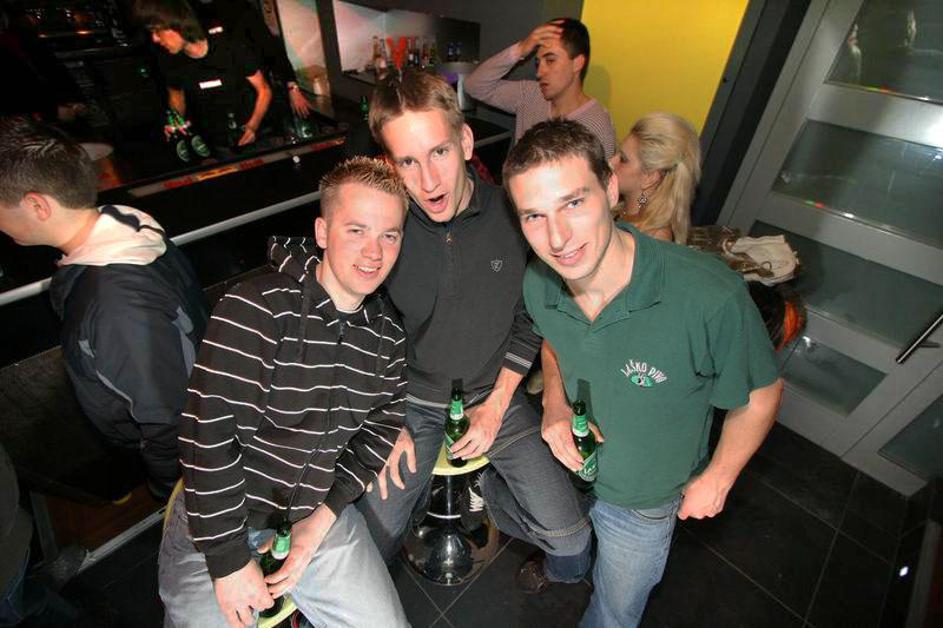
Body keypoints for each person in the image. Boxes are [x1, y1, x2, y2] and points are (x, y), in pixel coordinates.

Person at [503, 119, 783, 627]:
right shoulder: (539, 281)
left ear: (611, 188)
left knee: (613, 613)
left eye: (573, 203)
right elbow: (554, 341)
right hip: (572, 472)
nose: (557, 238)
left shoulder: (709, 296)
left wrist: (719, 477)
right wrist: (554, 404)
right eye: (534, 216)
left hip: (641, 502)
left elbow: (761, 392)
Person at [355, 70, 591, 594]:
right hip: (411, 403)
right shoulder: (384, 232)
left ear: (465, 142)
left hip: (495, 395)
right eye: (408, 161)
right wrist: (383, 415)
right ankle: (420, 504)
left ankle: (490, 491)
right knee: (369, 545)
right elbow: (366, 325)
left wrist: (500, 401)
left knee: (573, 546)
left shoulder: (518, 216)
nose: (428, 181)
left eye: (438, 152)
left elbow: (534, 316)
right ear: (390, 164)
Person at [159, 156, 411, 627]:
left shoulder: (388, 338)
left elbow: (379, 431)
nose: (373, 252)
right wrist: (229, 562)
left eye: (389, 235)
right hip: (218, 521)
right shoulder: (256, 310)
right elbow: (207, 439)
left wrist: (323, 518)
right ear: (322, 232)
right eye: (356, 230)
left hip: (313, 512)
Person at [0, 116, 209, 499]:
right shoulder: (122, 222)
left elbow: (166, 419)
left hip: (180, 460)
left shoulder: (115, 306)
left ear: (36, 205)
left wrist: (170, 490)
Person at [465, 18, 616, 156]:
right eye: (538, 63)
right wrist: (520, 49)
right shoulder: (530, 94)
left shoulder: (596, 124)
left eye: (550, 61)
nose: (539, 72)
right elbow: (474, 86)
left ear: (577, 63)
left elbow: (602, 176)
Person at [133, 0, 273, 149]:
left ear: (177, 24)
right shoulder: (170, 62)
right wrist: (176, 123)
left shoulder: (229, 47)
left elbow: (264, 90)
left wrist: (252, 126)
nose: (154, 39)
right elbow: (176, 96)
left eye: (157, 31)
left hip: (257, 136)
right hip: (216, 143)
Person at [191, 0, 313, 118]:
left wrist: (292, 87)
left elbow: (271, 48)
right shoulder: (193, 12)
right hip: (222, 103)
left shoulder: (239, 8)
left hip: (255, 94)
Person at [610, 112, 701, 245]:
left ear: (649, 177)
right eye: (617, 152)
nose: (611, 161)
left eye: (623, 159)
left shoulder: (652, 240)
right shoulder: (624, 208)